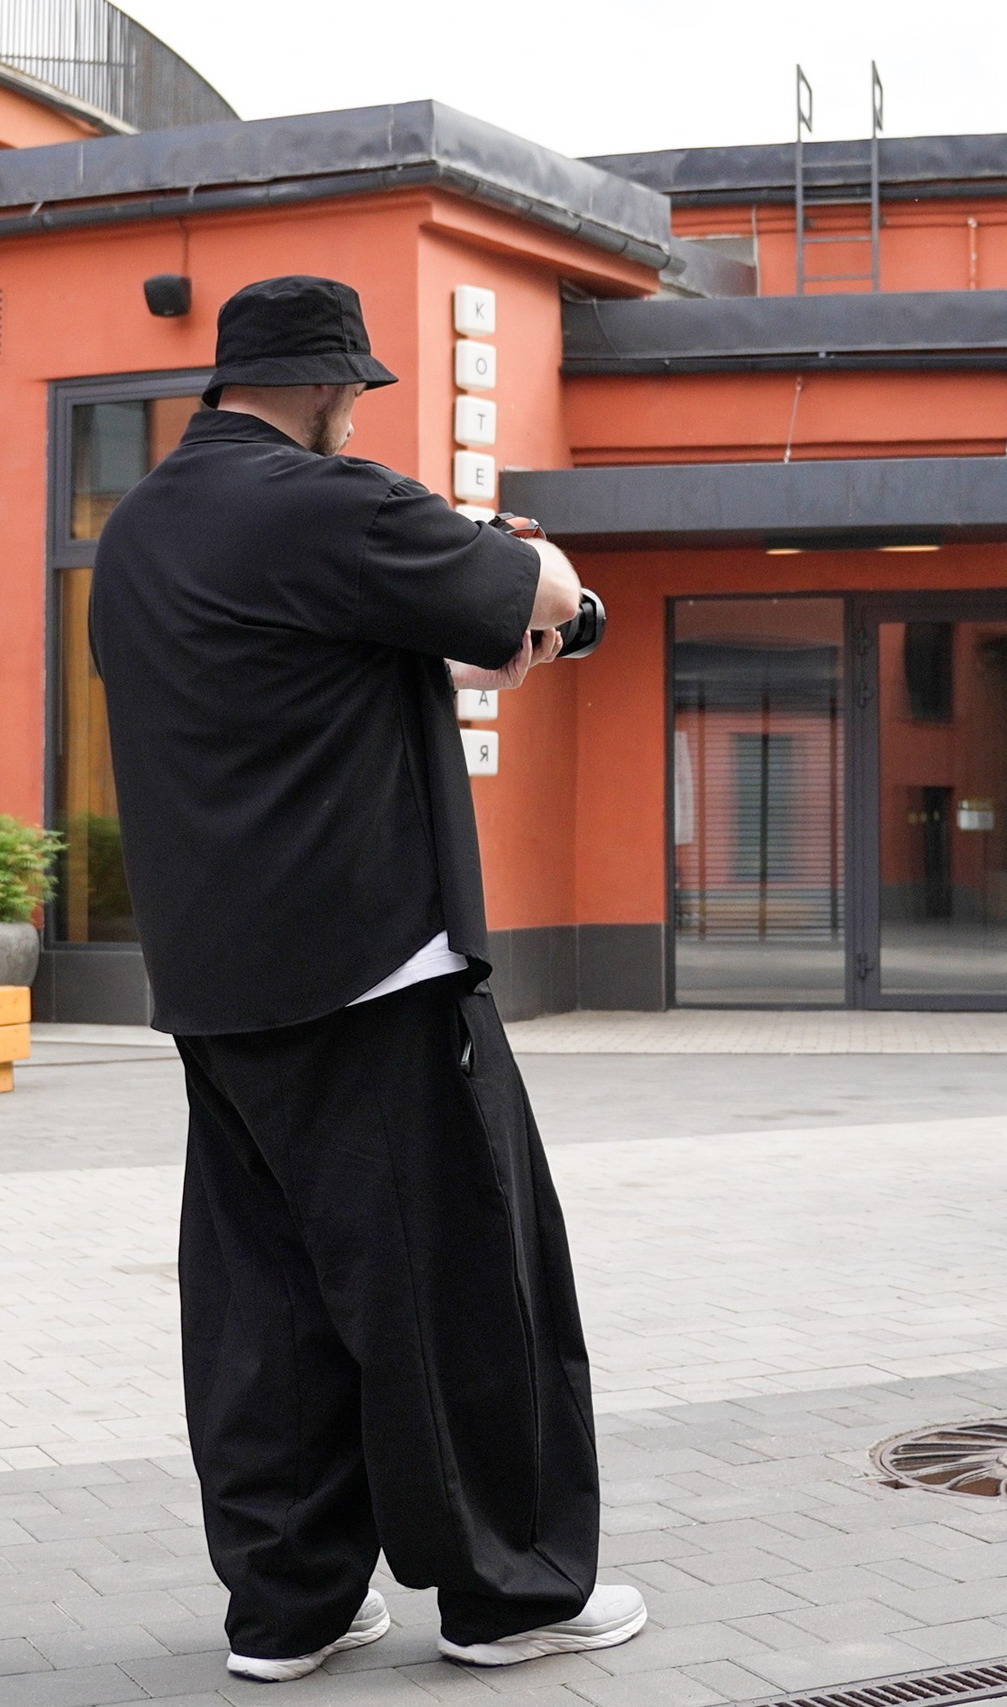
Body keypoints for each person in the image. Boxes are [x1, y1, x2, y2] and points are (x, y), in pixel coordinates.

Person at [89, 276, 645, 1677]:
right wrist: (523, 574)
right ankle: (510, 1591)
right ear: (336, 384)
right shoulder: (332, 501)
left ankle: (294, 1602)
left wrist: (478, 593)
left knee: (263, 1306)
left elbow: (424, 632)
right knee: (463, 1280)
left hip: (217, 981)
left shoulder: (145, 524)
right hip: (373, 969)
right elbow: (549, 603)